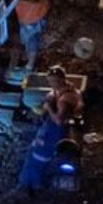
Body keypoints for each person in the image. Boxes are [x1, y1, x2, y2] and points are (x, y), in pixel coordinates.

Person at [18, 65, 83, 194]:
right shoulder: (63, 90)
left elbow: (59, 120)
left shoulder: (66, 98)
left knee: (38, 160)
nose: (52, 84)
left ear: (61, 80)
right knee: (32, 155)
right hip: (48, 130)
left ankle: (32, 185)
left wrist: (49, 107)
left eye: (54, 81)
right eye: (50, 81)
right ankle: (29, 184)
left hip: (54, 133)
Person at [13, 0, 50, 68]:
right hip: (29, 22)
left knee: (30, 39)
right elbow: (45, 5)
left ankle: (30, 63)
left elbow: (45, 6)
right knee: (31, 40)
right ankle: (30, 63)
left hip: (30, 22)